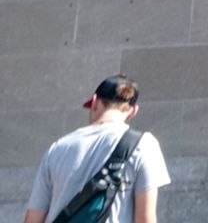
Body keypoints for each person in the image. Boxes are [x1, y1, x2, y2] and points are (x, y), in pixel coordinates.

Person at [24, 75, 170, 223]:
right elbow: (145, 218)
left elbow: (32, 219)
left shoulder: (57, 148)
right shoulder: (143, 145)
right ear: (133, 112)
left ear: (94, 102)